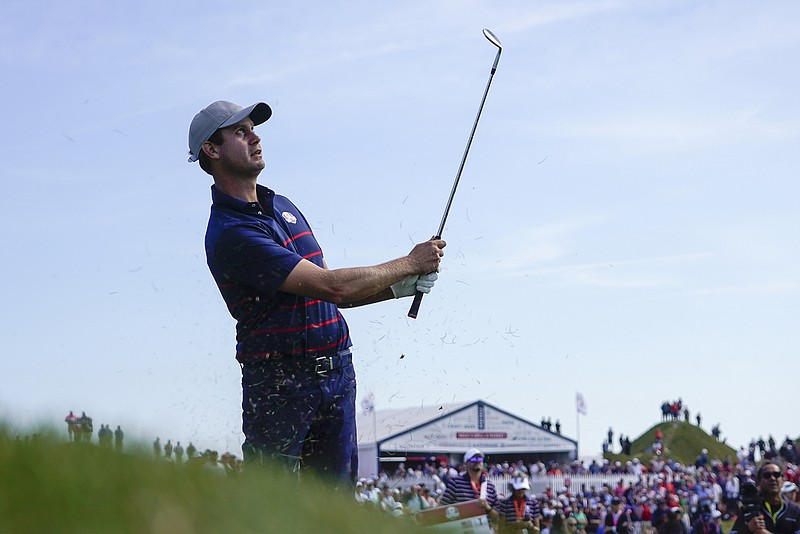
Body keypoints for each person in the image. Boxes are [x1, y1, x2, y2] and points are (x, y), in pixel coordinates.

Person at [187, 100, 445, 484]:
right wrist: (410, 263)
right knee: (274, 509)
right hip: (279, 386)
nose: (255, 136)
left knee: (333, 508)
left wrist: (397, 288)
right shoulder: (230, 233)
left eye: (253, 128)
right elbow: (334, 287)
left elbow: (325, 291)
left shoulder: (283, 206)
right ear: (212, 149)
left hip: (338, 373)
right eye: (240, 131)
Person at [730, 461, 800, 534]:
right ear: (759, 481)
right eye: (767, 475)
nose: (772, 478)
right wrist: (748, 528)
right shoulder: (749, 509)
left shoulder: (795, 510)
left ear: (783, 479)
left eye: (776, 474)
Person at [440, 449, 499, 521]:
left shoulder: (490, 486)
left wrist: (488, 508)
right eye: (473, 459)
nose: (477, 461)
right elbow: (441, 508)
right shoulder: (456, 483)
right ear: (466, 463)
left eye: (480, 459)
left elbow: (498, 516)